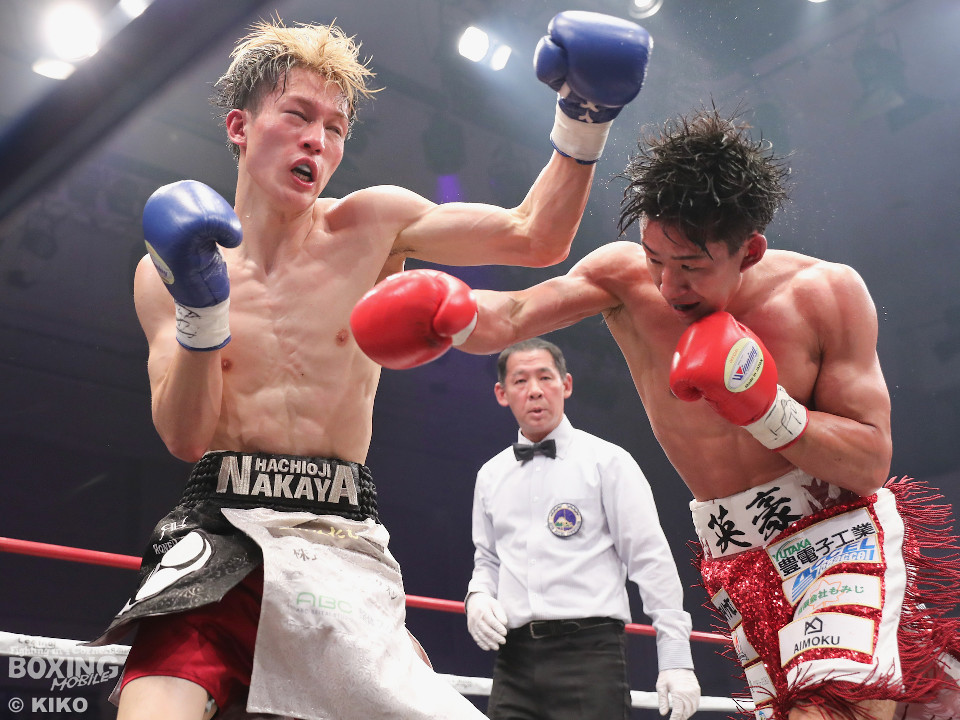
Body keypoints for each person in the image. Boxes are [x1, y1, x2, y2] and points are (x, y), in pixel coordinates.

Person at [90, 12, 654, 720]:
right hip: (219, 535)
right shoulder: (165, 271)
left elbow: (534, 236)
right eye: (298, 115)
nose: (317, 140)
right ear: (239, 126)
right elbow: (184, 437)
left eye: (334, 128)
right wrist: (204, 310)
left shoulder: (370, 225)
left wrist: (585, 120)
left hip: (339, 538)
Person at [350, 106, 960, 720]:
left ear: (749, 250)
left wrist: (765, 408)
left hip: (834, 535)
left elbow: (870, 461)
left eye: (691, 267)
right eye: (655, 259)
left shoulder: (825, 294)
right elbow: (511, 315)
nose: (668, 286)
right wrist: (447, 312)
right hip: (735, 555)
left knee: (827, 712)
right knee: (912, 707)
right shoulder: (623, 278)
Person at [465, 338, 700, 720]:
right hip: (514, 661)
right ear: (502, 394)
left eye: (545, 377)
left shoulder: (608, 462)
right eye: (521, 380)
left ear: (566, 384)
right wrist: (477, 595)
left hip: (590, 656)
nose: (535, 390)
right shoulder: (491, 475)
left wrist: (676, 657)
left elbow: (649, 559)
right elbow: (488, 559)